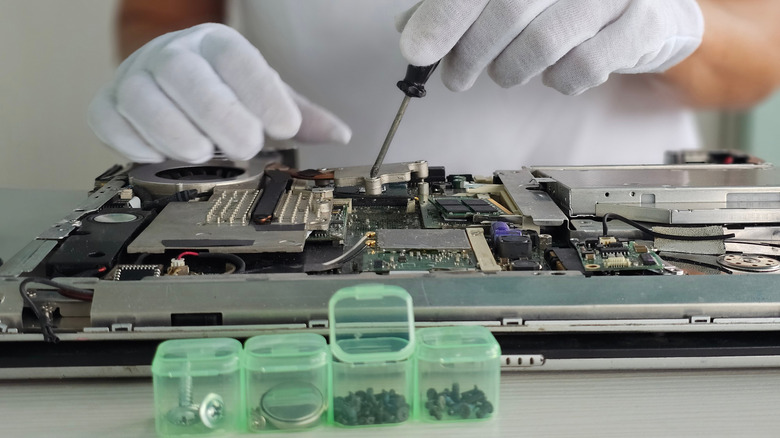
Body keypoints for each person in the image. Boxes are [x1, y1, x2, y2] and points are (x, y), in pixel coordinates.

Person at [88, 0, 780, 175]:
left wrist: (671, 21)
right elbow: (159, 12)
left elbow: (763, 50)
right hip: (313, 252)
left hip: (623, 252)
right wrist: (174, 63)